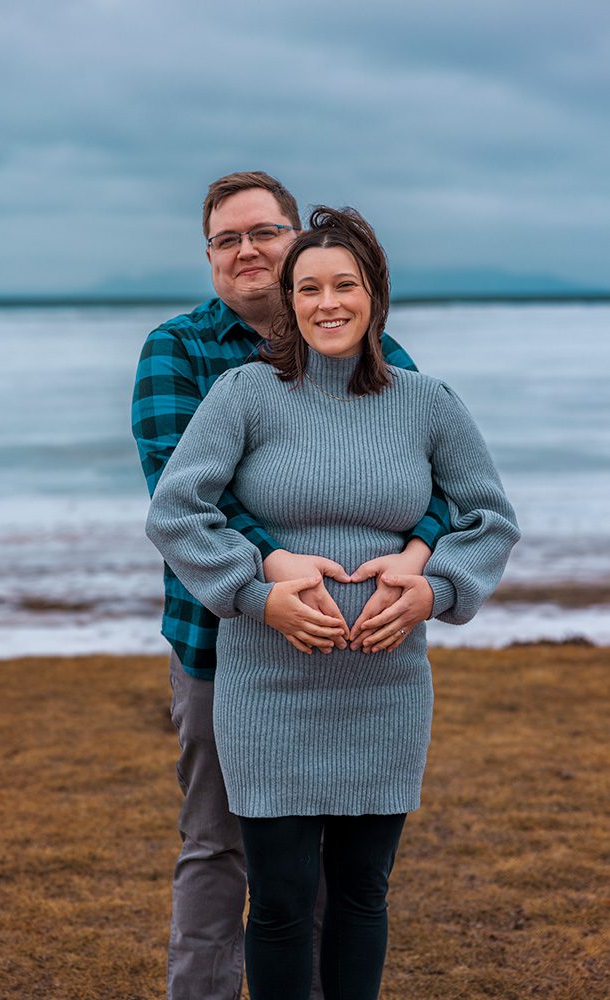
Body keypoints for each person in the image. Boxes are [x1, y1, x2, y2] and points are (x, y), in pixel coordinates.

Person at [145, 206, 520, 1000]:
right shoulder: (244, 393)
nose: (326, 303)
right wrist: (255, 595)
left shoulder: (427, 401)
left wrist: (433, 590)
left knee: (361, 894)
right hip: (267, 685)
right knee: (279, 901)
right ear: (289, 301)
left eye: (343, 285)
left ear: (373, 292)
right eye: (308, 288)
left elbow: (487, 517)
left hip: (384, 686)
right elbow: (177, 511)